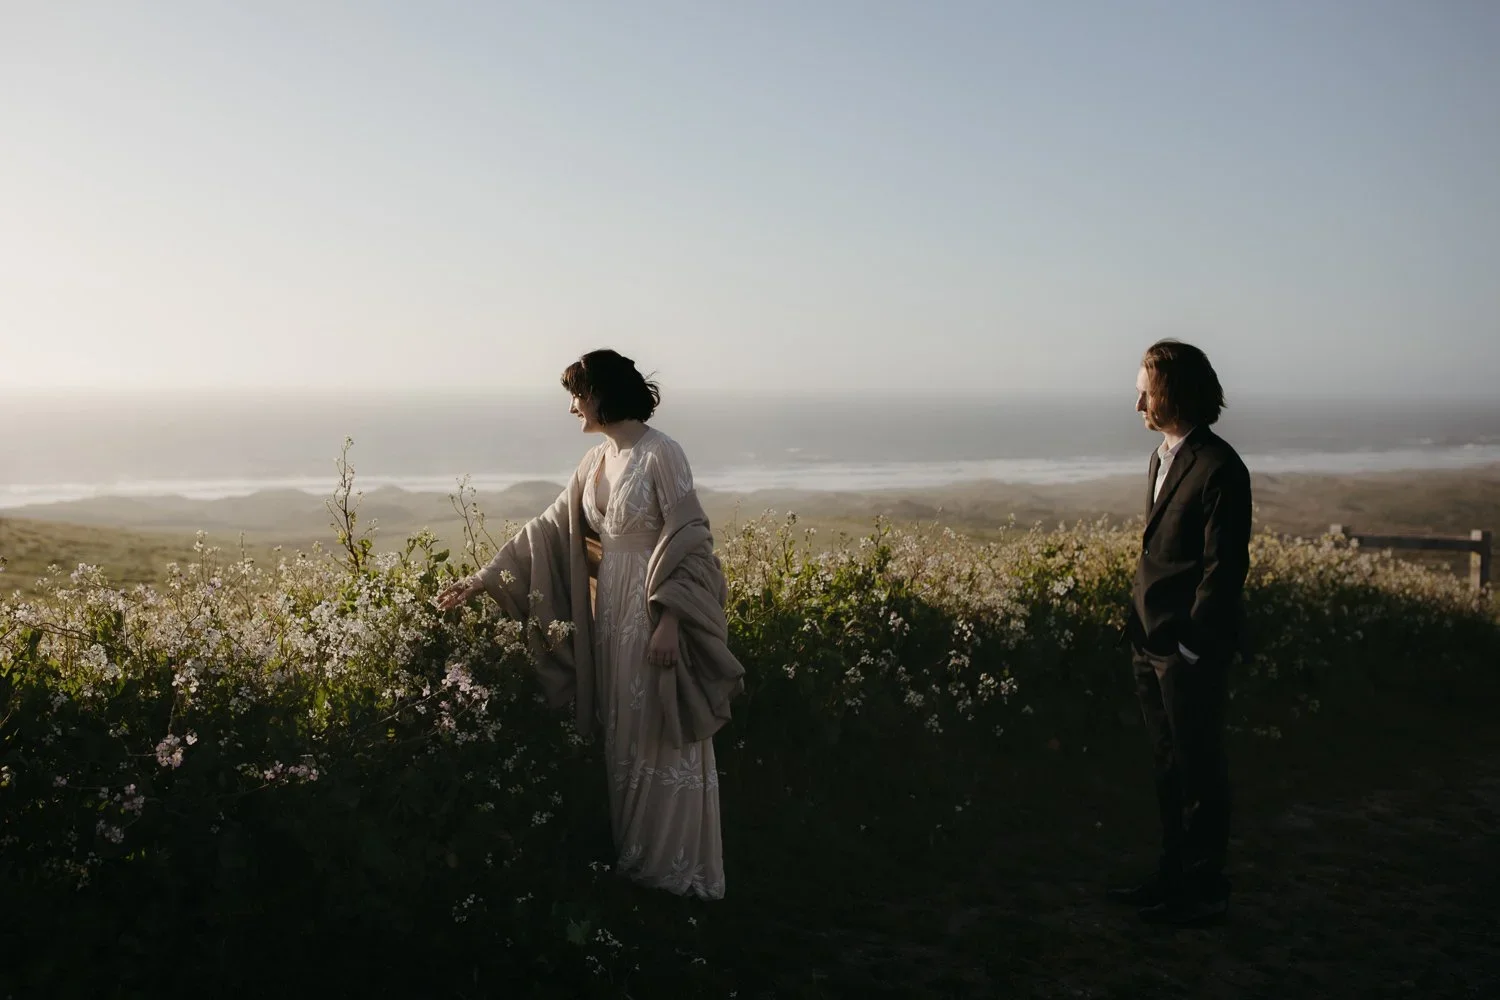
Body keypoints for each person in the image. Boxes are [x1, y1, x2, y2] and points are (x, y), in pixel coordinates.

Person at [437, 349, 744, 900]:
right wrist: (482, 579)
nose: (573, 406)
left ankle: (676, 870)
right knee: (623, 736)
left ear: (602, 393)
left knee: (660, 731)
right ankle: (637, 861)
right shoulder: (596, 463)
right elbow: (548, 530)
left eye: (577, 394)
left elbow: (692, 540)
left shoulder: (661, 453)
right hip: (610, 623)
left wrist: (672, 620)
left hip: (652, 615)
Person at [1111, 339, 1252, 926]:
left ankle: (1203, 891)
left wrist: (1191, 644)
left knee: (1199, 770)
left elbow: (1225, 569)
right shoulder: (1161, 458)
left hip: (1185, 649)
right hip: (1149, 642)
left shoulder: (1221, 467)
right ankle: (1172, 877)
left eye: (1144, 387)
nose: (1136, 399)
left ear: (1172, 390)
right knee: (1168, 766)